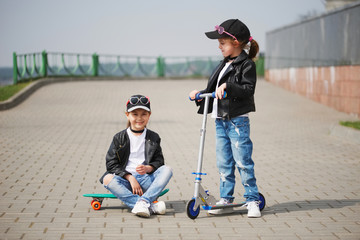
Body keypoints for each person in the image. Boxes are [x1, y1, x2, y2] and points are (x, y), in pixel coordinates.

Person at [189, 19, 261, 218]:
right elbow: (214, 91)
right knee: (224, 162)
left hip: (237, 121)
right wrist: (199, 94)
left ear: (236, 42)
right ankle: (226, 199)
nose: (219, 47)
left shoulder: (246, 65)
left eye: (222, 43)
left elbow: (248, 89)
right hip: (220, 120)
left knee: (243, 162)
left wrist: (229, 87)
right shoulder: (223, 64)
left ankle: (252, 199)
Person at [99, 94, 173, 218]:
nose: (139, 118)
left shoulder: (153, 137)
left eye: (144, 114)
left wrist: (148, 168)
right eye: (135, 114)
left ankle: (143, 201)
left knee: (167, 170)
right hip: (127, 183)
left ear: (149, 115)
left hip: (146, 181)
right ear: (127, 115)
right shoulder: (119, 138)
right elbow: (111, 164)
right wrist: (130, 177)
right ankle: (150, 206)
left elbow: (159, 161)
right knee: (107, 178)